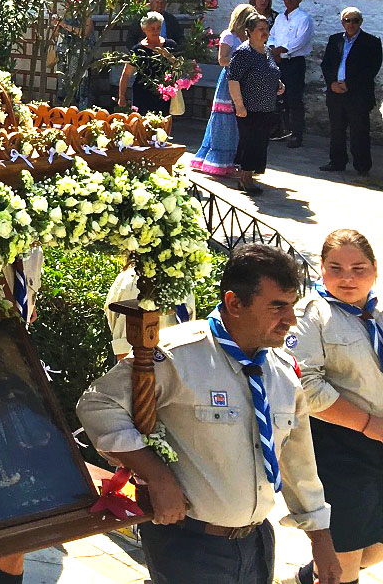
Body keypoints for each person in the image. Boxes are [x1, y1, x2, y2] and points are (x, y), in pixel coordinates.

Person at [77, 244, 340, 584]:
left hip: (257, 542)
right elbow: (97, 405)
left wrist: (321, 540)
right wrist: (156, 475)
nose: (290, 319)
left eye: (292, 306)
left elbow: (298, 461)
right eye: (277, 306)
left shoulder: (281, 370)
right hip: (189, 544)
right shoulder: (175, 355)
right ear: (234, 303)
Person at [290, 230, 383, 584]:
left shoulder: (377, 313)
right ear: (321, 270)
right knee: (344, 555)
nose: (348, 278)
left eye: (358, 268)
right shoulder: (311, 316)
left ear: (374, 269)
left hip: (378, 443)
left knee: (371, 546)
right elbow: (306, 385)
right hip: (340, 447)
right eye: (336, 268)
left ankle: (313, 574)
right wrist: (368, 424)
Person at [191, 3, 256, 178]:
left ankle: (236, 161)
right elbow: (222, 60)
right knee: (225, 121)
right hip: (230, 81)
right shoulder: (229, 36)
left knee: (240, 122)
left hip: (245, 82)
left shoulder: (249, 38)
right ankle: (219, 161)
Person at [319, 7, 382, 176]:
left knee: (359, 131)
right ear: (342, 23)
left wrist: (350, 84)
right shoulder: (335, 40)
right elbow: (326, 64)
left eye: (355, 20)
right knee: (337, 129)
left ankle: (362, 165)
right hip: (336, 92)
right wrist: (332, 83)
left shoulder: (371, 42)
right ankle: (337, 161)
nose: (351, 24)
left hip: (358, 95)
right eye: (348, 20)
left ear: (360, 22)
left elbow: (371, 69)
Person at [228, 13, 283, 195]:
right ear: (249, 31)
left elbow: (271, 72)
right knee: (250, 142)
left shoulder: (266, 51)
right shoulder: (244, 52)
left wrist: (279, 84)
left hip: (266, 106)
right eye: (260, 29)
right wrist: (239, 105)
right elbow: (233, 79)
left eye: (266, 29)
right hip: (249, 108)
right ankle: (246, 179)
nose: (265, 32)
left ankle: (247, 176)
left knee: (260, 143)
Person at [105, 263, 197, 358]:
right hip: (142, 366)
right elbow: (126, 350)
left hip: (179, 362)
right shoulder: (133, 282)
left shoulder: (182, 280)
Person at [268, 0, 314, 147]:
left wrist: (280, 51)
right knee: (279, 98)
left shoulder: (304, 18)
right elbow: (272, 35)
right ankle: (280, 130)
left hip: (294, 63)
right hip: (278, 61)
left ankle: (296, 134)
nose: (289, 0)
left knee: (294, 98)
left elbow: (299, 41)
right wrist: (273, 50)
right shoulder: (280, 18)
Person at [117, 11, 177, 115]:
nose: (155, 31)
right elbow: (126, 74)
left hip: (164, 93)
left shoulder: (170, 45)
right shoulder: (138, 50)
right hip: (142, 94)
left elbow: (180, 66)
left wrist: (168, 56)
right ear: (144, 29)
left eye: (158, 28)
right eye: (152, 28)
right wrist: (122, 97)